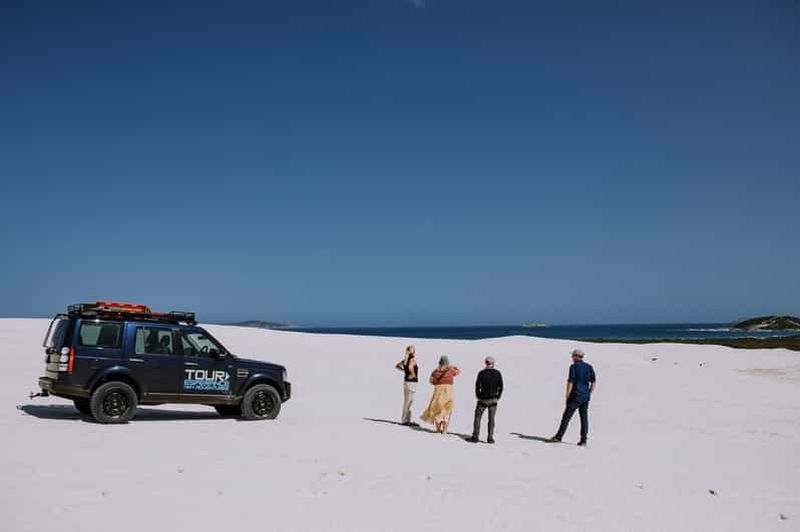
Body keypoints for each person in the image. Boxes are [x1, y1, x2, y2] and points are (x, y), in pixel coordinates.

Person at [549, 349, 596, 446]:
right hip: (585, 396)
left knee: (566, 417)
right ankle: (583, 440)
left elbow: (570, 381)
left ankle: (558, 437)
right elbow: (593, 381)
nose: (572, 357)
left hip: (575, 395)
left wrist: (567, 394)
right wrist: (589, 392)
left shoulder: (574, 366)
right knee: (584, 418)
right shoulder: (589, 367)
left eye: (573, 355)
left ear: (576, 356)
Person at [467, 356, 503, 444]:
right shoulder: (497, 373)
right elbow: (501, 386)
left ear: (485, 363)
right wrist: (498, 396)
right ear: (493, 363)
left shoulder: (482, 373)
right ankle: (490, 438)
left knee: (478, 417)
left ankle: (475, 436)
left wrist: (478, 395)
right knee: (491, 419)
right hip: (493, 399)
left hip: (483, 399)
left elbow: (477, 386)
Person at [420, 356, 461, 434]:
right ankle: (445, 430)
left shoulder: (435, 371)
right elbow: (458, 372)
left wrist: (437, 382)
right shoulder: (451, 370)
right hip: (449, 392)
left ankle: (438, 429)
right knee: (447, 411)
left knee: (438, 410)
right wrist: (453, 366)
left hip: (438, 391)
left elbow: (431, 381)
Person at [394, 344, 419, 426]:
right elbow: (410, 368)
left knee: (407, 401)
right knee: (409, 401)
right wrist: (412, 374)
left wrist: (405, 372)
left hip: (406, 382)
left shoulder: (405, 359)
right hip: (411, 382)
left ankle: (406, 420)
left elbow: (397, 366)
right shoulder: (412, 359)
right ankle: (405, 420)